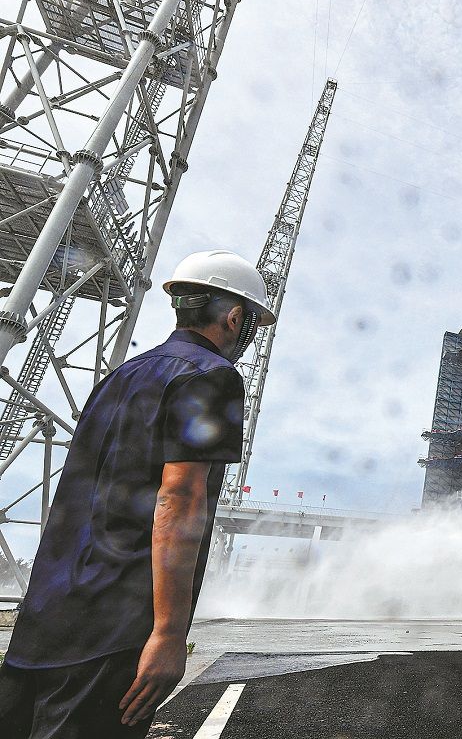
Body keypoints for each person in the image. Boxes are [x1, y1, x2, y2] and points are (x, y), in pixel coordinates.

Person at [0, 250, 276, 738]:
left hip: (44, 621)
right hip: (113, 627)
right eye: (250, 321)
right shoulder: (212, 376)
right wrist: (169, 634)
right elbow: (179, 499)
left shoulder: (119, 378)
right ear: (235, 317)